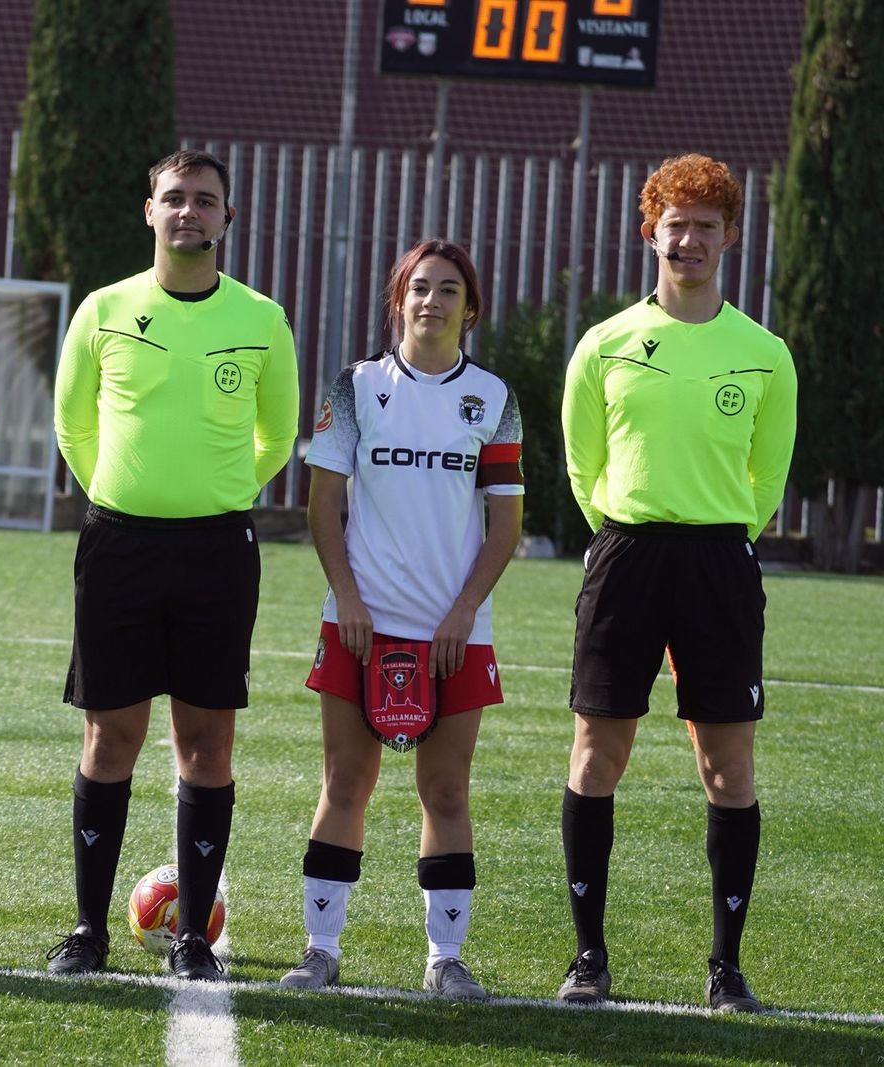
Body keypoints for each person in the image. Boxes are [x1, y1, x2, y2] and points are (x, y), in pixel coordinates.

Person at [46, 149, 299, 981]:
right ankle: (88, 930)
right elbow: (73, 424)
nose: (189, 212)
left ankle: (194, 938)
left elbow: (278, 435)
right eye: (175, 198)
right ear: (147, 211)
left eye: (206, 201)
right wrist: (119, 492)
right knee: (110, 733)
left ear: (229, 218)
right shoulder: (104, 309)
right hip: (117, 543)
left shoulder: (261, 319)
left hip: (218, 550)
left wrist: (217, 490)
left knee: (205, 740)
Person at [558, 154, 797, 1012]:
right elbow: (584, 468)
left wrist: (714, 535)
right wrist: (629, 533)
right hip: (626, 556)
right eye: (675, 222)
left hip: (719, 565)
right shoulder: (606, 343)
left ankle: (726, 968)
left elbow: (766, 482)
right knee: (598, 753)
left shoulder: (764, 354)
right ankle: (590, 958)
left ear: (730, 235)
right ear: (648, 230)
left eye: (705, 223)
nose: (688, 237)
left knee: (727, 766)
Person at [278, 239, 523, 998]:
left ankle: (446, 958)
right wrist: (348, 597)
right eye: (419, 287)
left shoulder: (492, 396)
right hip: (360, 621)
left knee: (446, 790)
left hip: (456, 631)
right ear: (398, 299)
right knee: (345, 780)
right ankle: (321, 947)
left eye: (449, 290)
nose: (432, 301)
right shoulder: (354, 387)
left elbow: (506, 523)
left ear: (469, 308)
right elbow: (323, 504)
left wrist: (462, 610)